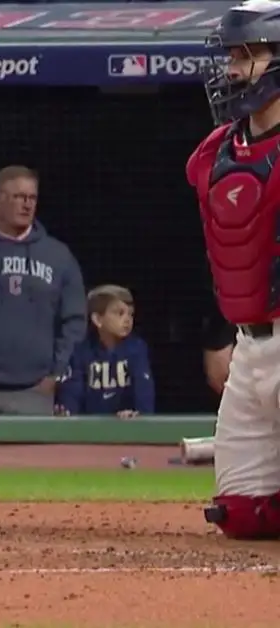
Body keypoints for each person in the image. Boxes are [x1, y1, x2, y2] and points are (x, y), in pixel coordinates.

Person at [185, 0, 280, 538]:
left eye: (250, 55)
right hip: (249, 347)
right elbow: (223, 253)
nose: (234, 69)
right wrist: (222, 332)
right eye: (231, 55)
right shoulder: (213, 153)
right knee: (242, 518)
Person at [0, 165, 87, 416]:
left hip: (37, 390)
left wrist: (55, 375)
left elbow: (74, 321)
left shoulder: (58, 255)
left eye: (32, 198)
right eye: (18, 197)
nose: (27, 205)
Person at [55, 285, 154, 417]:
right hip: (90, 430)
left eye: (131, 314)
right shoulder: (82, 352)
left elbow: (144, 389)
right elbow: (73, 389)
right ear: (98, 319)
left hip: (127, 428)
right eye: (120, 313)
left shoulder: (137, 348)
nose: (127, 320)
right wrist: (67, 410)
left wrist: (139, 413)